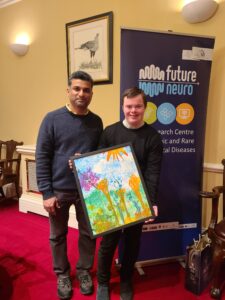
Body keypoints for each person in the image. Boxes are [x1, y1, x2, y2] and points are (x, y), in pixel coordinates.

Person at [36, 71, 103, 300]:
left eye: (86, 90)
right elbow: (42, 156)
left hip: (88, 190)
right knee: (58, 235)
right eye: (76, 89)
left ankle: (83, 270)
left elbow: (99, 156)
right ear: (68, 91)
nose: (81, 94)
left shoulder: (96, 122)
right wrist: (46, 192)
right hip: (60, 190)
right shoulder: (52, 119)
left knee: (89, 234)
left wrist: (87, 159)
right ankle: (62, 274)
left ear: (91, 94)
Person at [96, 87, 163, 300]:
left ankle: (126, 279)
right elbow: (99, 167)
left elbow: (153, 173)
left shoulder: (153, 137)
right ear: (122, 106)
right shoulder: (109, 132)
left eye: (138, 106)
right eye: (129, 106)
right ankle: (103, 282)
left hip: (137, 199)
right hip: (112, 199)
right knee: (108, 243)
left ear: (145, 107)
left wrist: (151, 202)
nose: (133, 110)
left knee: (133, 243)